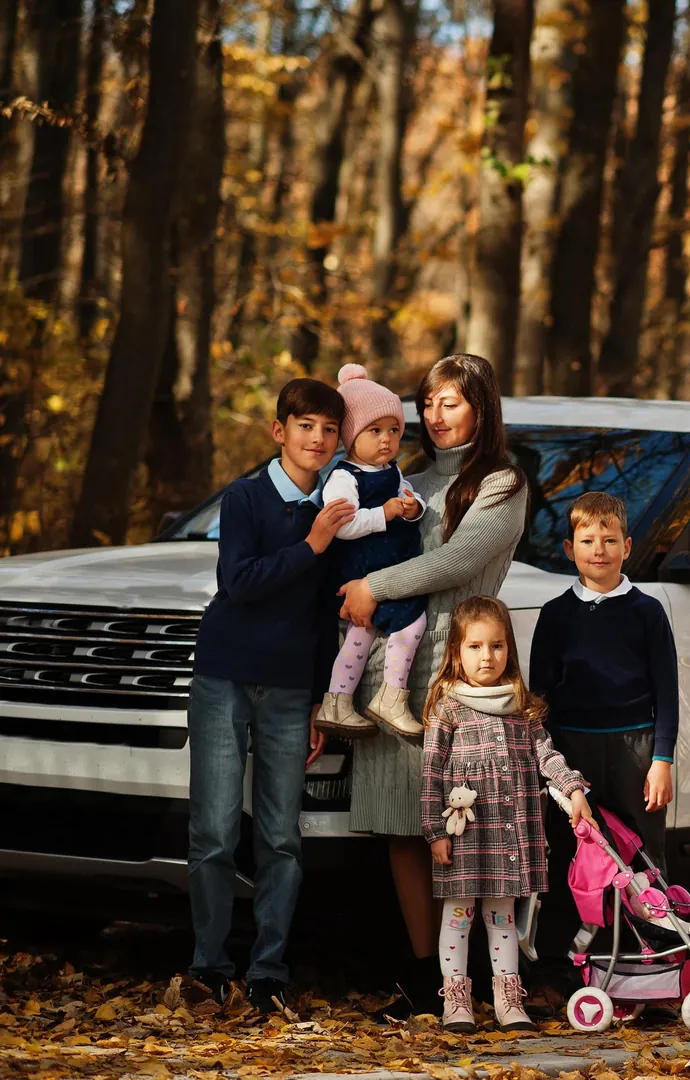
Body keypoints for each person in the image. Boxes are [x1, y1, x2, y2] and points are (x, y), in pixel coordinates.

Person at [338, 354, 528, 1020]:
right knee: (403, 827)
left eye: (451, 402)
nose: (435, 416)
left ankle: (477, 980)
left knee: (464, 827)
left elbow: (458, 560)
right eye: (428, 402)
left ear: (481, 406)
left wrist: (374, 587)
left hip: (456, 675)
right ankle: (426, 979)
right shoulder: (405, 478)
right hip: (387, 673)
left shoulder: (500, 483)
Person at [185, 378, 355, 1015]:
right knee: (214, 829)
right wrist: (311, 544)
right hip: (225, 676)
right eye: (304, 425)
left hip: (289, 690)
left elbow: (321, 617)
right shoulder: (248, 498)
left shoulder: (340, 507)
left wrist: (317, 698)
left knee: (282, 836)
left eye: (329, 429)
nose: (317, 438)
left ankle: (268, 971)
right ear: (279, 431)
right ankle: (208, 965)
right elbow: (240, 583)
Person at [421, 595, 593, 1033]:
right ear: (457, 652)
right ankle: (456, 1000)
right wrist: (434, 830)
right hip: (464, 833)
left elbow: (545, 755)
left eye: (497, 646)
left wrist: (572, 789)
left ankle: (507, 999)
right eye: (476, 646)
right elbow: (431, 772)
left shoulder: (521, 705)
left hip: (509, 832)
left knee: (502, 916)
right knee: (458, 914)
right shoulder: (447, 705)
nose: (487, 656)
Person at [530, 491, 678, 872]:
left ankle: (653, 930)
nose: (600, 550)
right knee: (574, 851)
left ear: (627, 547)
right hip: (574, 751)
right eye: (588, 541)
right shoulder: (555, 615)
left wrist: (661, 760)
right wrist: (550, 762)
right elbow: (540, 697)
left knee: (642, 856)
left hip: (636, 749)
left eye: (610, 540)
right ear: (569, 547)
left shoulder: (647, 611)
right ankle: (575, 931)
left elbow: (666, 690)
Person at [316, 363, 427, 739]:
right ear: (350, 436)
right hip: (362, 569)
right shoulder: (344, 478)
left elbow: (408, 496)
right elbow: (342, 525)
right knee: (412, 624)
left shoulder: (392, 469)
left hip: (383, 571)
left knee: (359, 638)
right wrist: (385, 513)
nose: (386, 440)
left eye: (394, 430)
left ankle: (338, 702)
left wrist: (415, 508)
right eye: (375, 430)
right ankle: (390, 697)